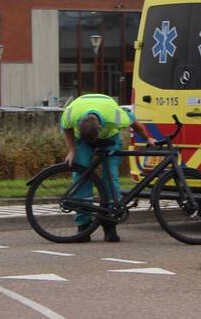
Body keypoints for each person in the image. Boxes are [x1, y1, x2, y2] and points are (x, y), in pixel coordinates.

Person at [61, 94, 156, 242]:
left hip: (109, 139)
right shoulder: (72, 114)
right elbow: (65, 127)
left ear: (100, 126)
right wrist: (72, 150)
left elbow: (134, 123)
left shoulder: (114, 116)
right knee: (82, 175)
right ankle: (83, 227)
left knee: (110, 178)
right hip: (83, 140)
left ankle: (109, 226)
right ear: (78, 124)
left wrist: (147, 138)